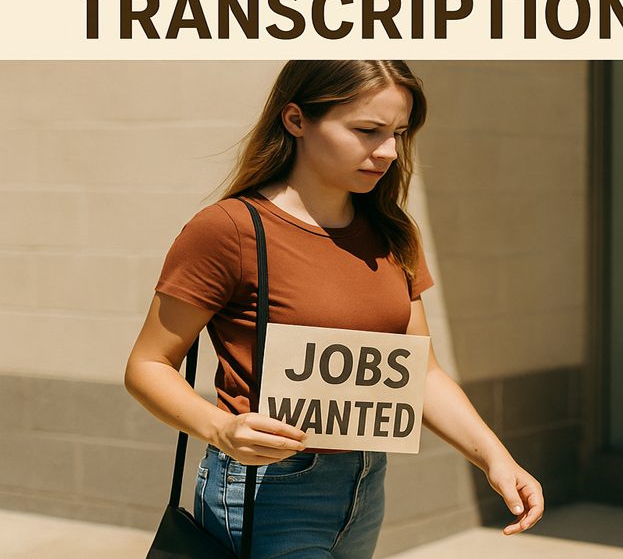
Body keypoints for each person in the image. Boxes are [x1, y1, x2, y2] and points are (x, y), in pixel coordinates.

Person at [124, 60, 543, 558]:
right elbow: (147, 366)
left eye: (398, 133)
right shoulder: (229, 230)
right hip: (267, 486)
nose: (387, 151)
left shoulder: (391, 232)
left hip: (366, 480)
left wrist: (495, 458)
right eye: (367, 130)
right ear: (296, 119)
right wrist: (219, 428)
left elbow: (421, 374)